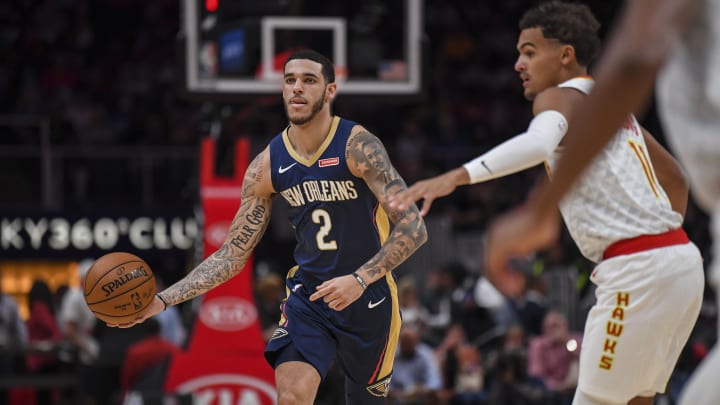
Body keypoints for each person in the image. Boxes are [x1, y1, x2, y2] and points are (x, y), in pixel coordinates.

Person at [388, 2, 705, 404]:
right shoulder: (613, 112)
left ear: (566, 55)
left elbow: (538, 143)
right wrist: (660, 243)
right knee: (637, 399)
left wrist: (454, 176)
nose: (519, 63)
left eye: (529, 51)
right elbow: (675, 177)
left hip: (637, 270)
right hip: (681, 262)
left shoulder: (558, 98)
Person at [114, 49, 428, 405]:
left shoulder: (358, 146)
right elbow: (231, 255)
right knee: (292, 396)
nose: (297, 88)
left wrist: (359, 279)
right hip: (309, 299)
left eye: (309, 80)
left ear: (330, 91)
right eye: (290, 80)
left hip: (368, 298)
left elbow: (414, 228)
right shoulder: (266, 166)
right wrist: (163, 299)